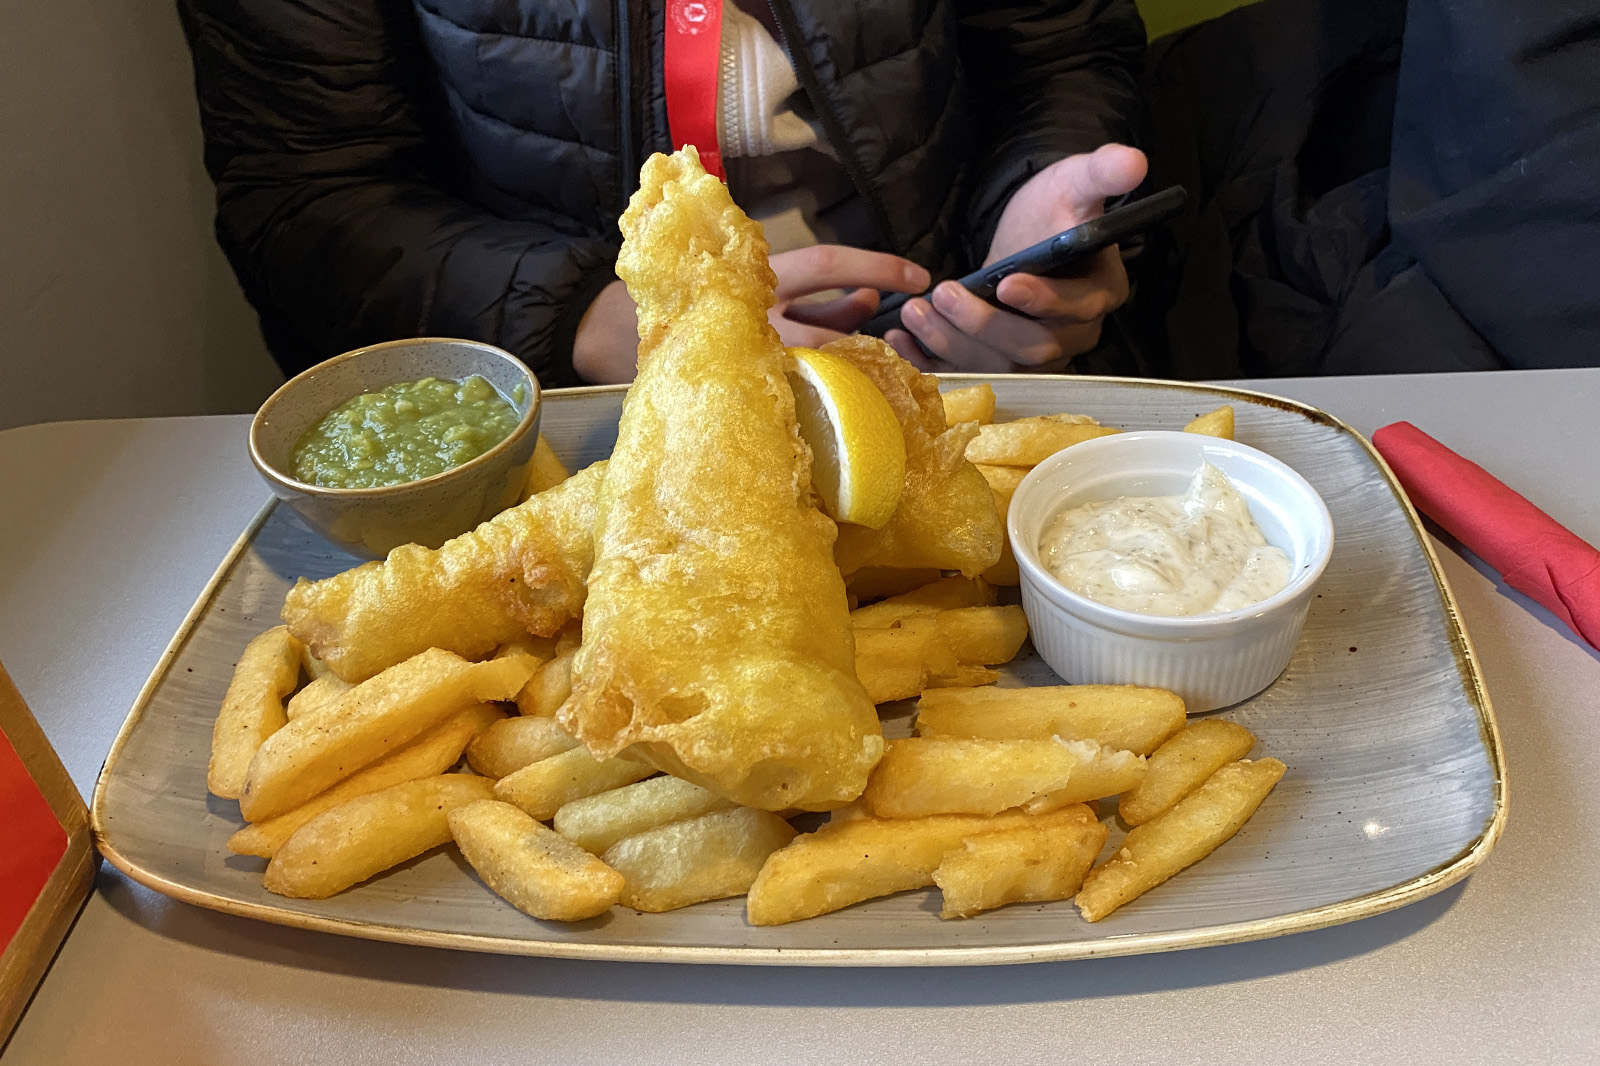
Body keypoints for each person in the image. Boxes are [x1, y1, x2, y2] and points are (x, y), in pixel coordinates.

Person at [178, 0, 1149, 386]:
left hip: (945, 366)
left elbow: (1059, 56)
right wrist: (584, 320)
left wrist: (1035, 205)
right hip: (576, 418)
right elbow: (307, 195)